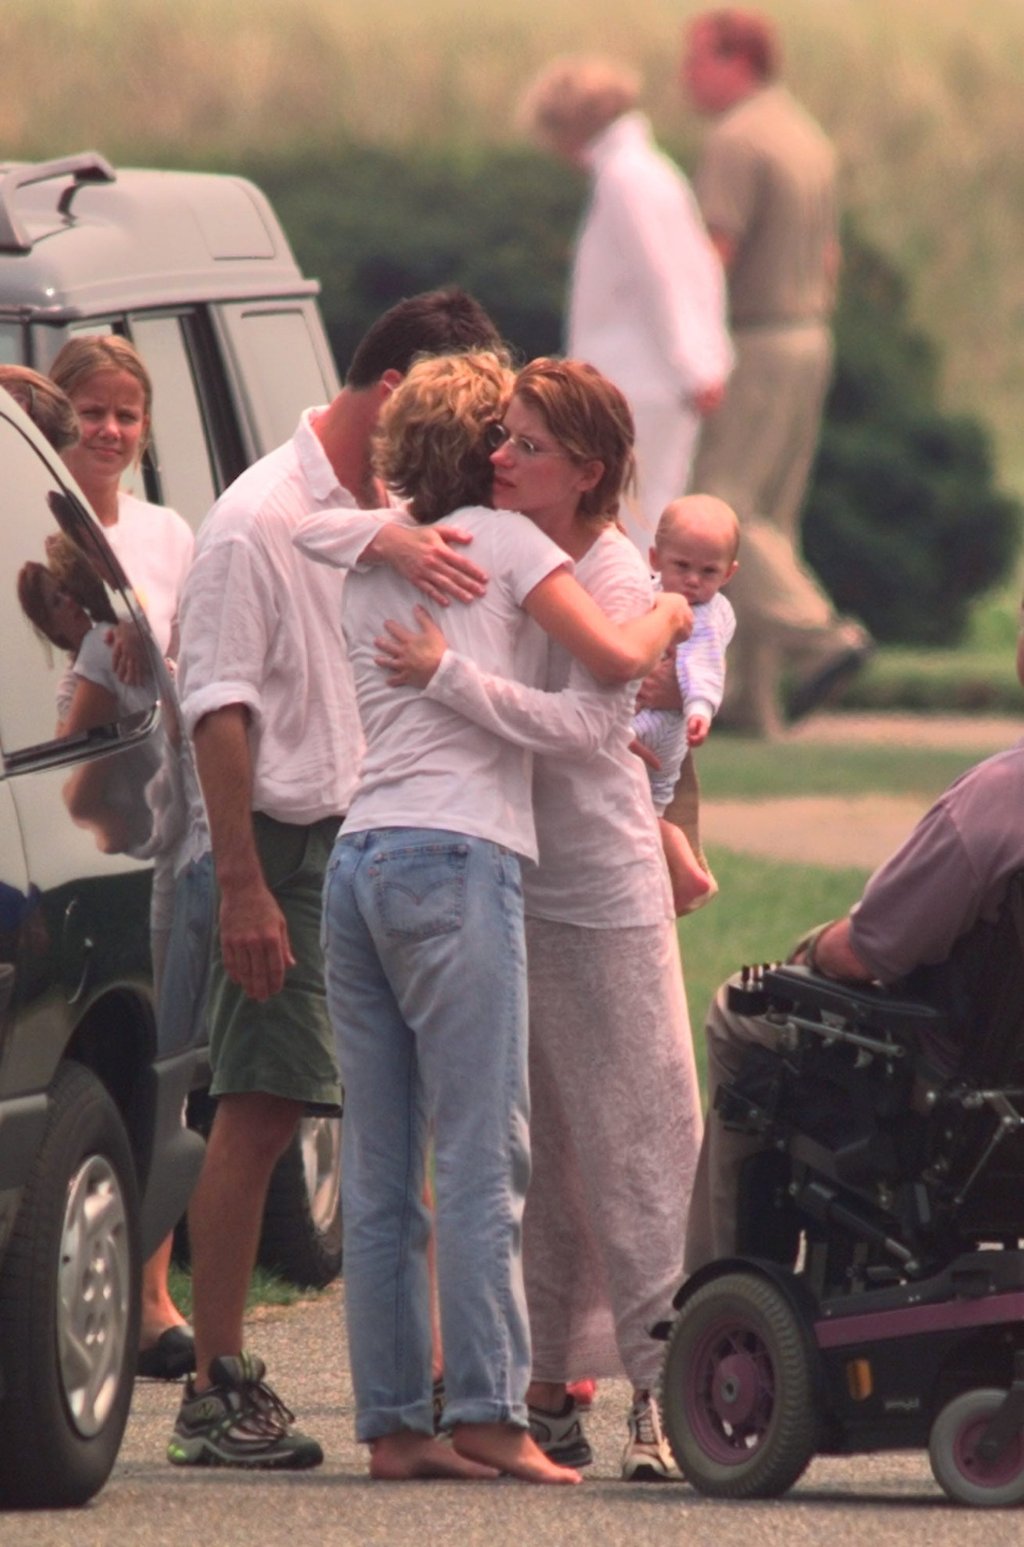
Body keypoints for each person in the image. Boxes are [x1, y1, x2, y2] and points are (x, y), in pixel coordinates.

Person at [310, 349, 689, 1484]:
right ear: (476, 450)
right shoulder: (504, 543)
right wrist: (675, 610)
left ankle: (397, 1425)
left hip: (370, 861)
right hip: (461, 863)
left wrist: (377, 540)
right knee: (488, 1157)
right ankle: (491, 1410)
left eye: (529, 442)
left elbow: (301, 524)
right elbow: (613, 668)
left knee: (391, 1165)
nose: (509, 455)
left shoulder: (383, 553)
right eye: (503, 437)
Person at [169, 289, 508, 1471]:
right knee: (261, 1107)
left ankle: (425, 1384)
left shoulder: (399, 507)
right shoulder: (256, 516)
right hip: (283, 842)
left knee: (400, 1114)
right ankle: (214, 1385)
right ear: (397, 386)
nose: (484, 438)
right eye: (467, 408)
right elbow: (216, 706)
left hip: (373, 834)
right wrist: (244, 886)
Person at [685, 735, 1024, 1273]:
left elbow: (865, 953)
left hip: (962, 1100)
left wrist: (810, 950)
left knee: (742, 1010)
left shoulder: (1002, 796)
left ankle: (723, 1288)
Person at [49, 335, 201, 1379]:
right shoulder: (33, 521)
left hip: (159, 811)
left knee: (163, 1054)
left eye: (125, 413)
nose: (108, 430)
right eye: (89, 411)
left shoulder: (167, 531)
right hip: (63, 801)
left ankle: (151, 1294)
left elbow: (190, 660)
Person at [680, 8, 871, 736]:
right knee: (774, 517)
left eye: (697, 59)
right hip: (810, 335)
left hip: (756, 339)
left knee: (724, 506)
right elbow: (829, 255)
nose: (686, 76)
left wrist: (690, 347)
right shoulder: (805, 134)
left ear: (736, 59)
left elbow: (714, 255)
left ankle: (823, 636)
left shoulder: (737, 140)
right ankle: (749, 702)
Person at [520, 56, 732, 552]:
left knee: (634, 514)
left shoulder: (625, 178)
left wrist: (693, 367)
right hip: (655, 377)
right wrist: (705, 361)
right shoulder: (647, 170)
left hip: (642, 378)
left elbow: (663, 277)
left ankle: (637, 601)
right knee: (646, 504)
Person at [633, 493, 738, 914]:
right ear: (655, 559)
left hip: (657, 727)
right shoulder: (648, 591)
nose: (693, 581)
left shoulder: (704, 614)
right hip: (665, 730)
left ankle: (678, 860)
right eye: (682, 567)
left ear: (729, 573)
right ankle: (679, 866)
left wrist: (699, 710)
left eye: (708, 571)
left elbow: (703, 667)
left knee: (621, 798)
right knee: (651, 804)